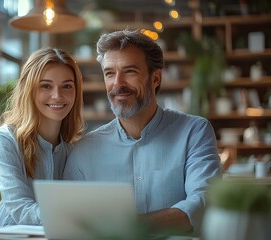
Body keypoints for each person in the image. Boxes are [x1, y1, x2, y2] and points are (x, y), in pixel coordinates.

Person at [63, 29, 221, 235]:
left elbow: (203, 201)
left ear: (155, 78)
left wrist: (129, 226)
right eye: (109, 73)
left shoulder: (194, 132)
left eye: (130, 71)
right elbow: (69, 218)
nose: (117, 84)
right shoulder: (84, 150)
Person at [0, 47, 84, 226]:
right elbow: (20, 209)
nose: (57, 96)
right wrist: (76, 218)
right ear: (29, 89)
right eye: (46, 86)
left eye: (66, 86)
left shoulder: (73, 148)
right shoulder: (6, 138)